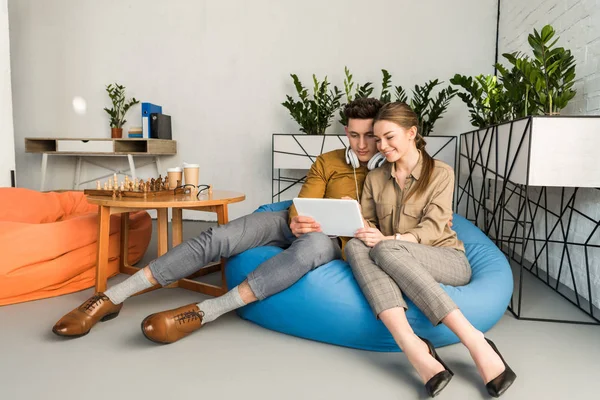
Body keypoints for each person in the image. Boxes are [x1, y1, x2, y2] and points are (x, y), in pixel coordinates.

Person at [52, 97, 386, 344]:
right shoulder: (328, 160)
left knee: (308, 249)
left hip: (331, 240)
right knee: (219, 237)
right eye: (354, 135)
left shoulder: (387, 172)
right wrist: (298, 220)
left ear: (381, 134)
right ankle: (113, 298)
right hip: (294, 223)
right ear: (346, 132)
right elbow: (302, 200)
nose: (360, 144)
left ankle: (205, 311)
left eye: (368, 136)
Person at [344, 102, 516, 398]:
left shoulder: (441, 173)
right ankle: (413, 345)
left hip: (445, 258)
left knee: (384, 250)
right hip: (393, 257)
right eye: (377, 138)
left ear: (412, 133)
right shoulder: (374, 178)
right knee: (357, 245)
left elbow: (434, 228)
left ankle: (474, 340)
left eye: (389, 137)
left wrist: (390, 239)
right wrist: (360, 224)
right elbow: (370, 226)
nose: (381, 146)